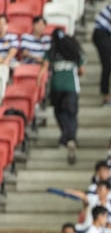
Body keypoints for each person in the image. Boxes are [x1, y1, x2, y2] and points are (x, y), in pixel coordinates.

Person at [37, 29, 84, 164]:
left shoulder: (51, 51)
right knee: (72, 114)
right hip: (71, 88)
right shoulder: (74, 51)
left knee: (59, 113)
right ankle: (71, 138)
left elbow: (44, 68)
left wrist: (38, 82)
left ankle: (66, 136)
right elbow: (81, 70)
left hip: (56, 87)